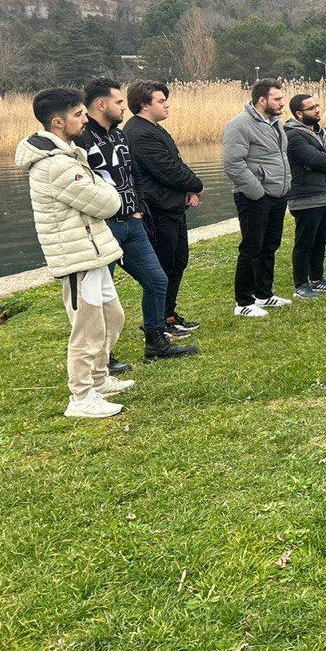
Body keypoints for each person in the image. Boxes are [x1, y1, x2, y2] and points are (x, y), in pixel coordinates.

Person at [16, 89, 130, 418]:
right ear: (58, 122)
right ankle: (81, 397)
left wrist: (101, 189)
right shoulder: (57, 166)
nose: (85, 120)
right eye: (79, 115)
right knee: (88, 329)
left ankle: (99, 378)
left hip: (92, 250)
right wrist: (106, 190)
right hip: (78, 256)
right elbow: (109, 202)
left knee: (112, 318)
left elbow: (100, 196)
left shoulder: (68, 157)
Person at [82, 78, 196, 364]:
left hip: (131, 222)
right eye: (119, 102)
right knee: (99, 293)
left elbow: (133, 176)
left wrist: (138, 208)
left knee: (157, 280)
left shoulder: (120, 136)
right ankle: (102, 356)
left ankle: (156, 342)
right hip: (102, 225)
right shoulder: (82, 140)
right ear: (101, 104)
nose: (123, 107)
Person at [124, 80, 204, 341]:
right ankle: (159, 321)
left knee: (177, 261)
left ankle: (169, 314)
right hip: (156, 209)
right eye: (160, 100)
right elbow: (166, 169)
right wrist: (196, 185)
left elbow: (176, 162)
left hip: (173, 205)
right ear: (144, 105)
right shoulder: (139, 133)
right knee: (164, 264)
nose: (166, 104)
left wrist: (188, 190)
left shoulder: (156, 129)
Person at [223, 79, 293, 315]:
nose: (281, 102)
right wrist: (257, 192)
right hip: (254, 196)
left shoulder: (275, 123)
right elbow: (233, 164)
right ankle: (243, 302)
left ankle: (264, 294)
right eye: (277, 99)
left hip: (277, 194)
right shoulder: (240, 125)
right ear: (262, 100)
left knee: (270, 246)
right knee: (251, 247)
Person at [285, 93, 326, 299]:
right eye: (311, 108)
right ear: (299, 113)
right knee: (305, 242)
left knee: (321, 240)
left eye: (317, 106)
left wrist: (321, 154)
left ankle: (318, 279)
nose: (317, 110)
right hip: (307, 198)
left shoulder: (324, 132)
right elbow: (315, 159)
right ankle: (301, 284)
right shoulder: (293, 135)